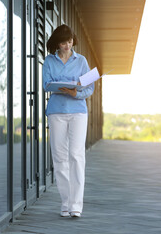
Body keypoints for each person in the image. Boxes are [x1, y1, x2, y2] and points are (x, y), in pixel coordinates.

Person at [42, 24, 94, 218]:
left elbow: (89, 88)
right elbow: (47, 84)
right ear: (57, 43)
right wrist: (63, 85)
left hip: (78, 111)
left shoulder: (81, 61)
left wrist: (76, 92)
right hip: (56, 112)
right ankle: (66, 202)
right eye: (64, 42)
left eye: (70, 41)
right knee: (59, 157)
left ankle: (76, 205)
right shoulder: (49, 61)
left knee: (76, 155)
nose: (67, 46)